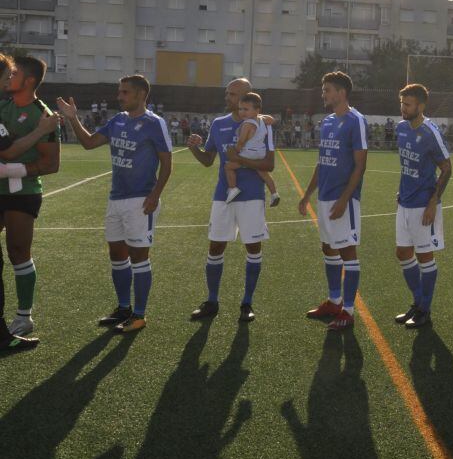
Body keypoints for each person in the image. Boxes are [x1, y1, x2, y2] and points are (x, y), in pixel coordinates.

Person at [55, 75, 172, 333]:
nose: (119, 96)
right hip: (116, 198)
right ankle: (123, 308)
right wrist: (73, 117)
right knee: (117, 255)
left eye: (125, 92)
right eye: (119, 92)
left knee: (139, 256)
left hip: (141, 200)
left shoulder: (155, 123)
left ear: (141, 95)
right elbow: (88, 144)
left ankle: (139, 315)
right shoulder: (117, 120)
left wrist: (154, 195)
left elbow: (166, 162)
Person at [186, 78, 275, 322]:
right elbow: (208, 160)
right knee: (215, 247)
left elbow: (270, 164)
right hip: (223, 196)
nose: (228, 98)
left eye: (233, 94)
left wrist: (239, 160)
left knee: (253, 249)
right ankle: (212, 301)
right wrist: (194, 147)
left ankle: (247, 303)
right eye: (227, 93)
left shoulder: (263, 125)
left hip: (252, 197)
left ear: (248, 96)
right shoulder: (218, 124)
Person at [0, 54, 61, 352]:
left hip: (22, 190)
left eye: (15, 75)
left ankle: (24, 317)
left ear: (30, 81)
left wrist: (15, 170)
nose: (9, 79)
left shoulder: (43, 114)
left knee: (17, 250)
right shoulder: (3, 104)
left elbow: (51, 164)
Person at [300, 71, 368, 331]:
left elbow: (360, 165)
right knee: (328, 249)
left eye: (327, 89)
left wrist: (344, 199)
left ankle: (348, 311)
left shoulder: (356, 120)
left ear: (341, 92)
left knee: (347, 252)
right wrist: (307, 195)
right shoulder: (327, 122)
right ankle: (333, 300)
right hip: (325, 197)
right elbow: (322, 161)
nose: (324, 94)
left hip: (344, 200)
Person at [393, 84, 452, 329]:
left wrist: (432, 202)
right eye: (402, 103)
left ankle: (425, 309)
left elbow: (447, 168)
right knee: (403, 253)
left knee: (424, 256)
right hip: (404, 202)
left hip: (423, 205)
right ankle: (417, 302)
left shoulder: (430, 132)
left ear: (421, 106)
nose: (403, 108)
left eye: (408, 104)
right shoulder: (401, 128)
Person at [223, 93, 280, 207]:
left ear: (257, 110)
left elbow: (241, 141)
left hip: (249, 153)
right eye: (240, 109)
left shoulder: (247, 124)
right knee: (264, 174)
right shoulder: (262, 120)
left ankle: (233, 188)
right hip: (260, 153)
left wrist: (236, 153)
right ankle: (274, 194)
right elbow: (272, 119)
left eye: (246, 109)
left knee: (228, 167)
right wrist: (259, 115)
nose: (242, 112)